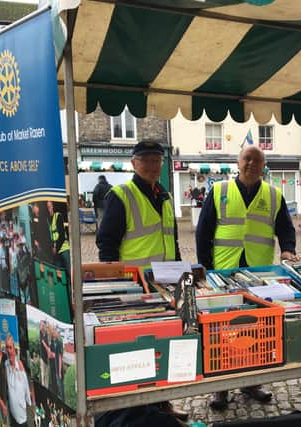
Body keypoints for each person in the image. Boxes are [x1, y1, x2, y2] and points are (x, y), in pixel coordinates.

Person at [196, 145, 300, 410]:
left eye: (257, 160)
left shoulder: (274, 195)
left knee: (255, 328)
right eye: (247, 159)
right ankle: (220, 387)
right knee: (220, 330)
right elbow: (203, 231)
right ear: (238, 162)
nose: (251, 164)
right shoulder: (218, 191)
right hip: (223, 272)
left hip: (258, 272)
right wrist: (204, 267)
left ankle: (253, 382)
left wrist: (288, 249)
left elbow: (285, 228)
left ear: (264, 165)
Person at [96, 139, 187, 422]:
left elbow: (171, 239)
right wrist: (113, 283)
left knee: (164, 344)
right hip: (134, 288)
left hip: (165, 284)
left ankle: (162, 404)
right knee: (138, 347)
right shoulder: (121, 195)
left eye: (156, 160)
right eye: (145, 160)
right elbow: (106, 243)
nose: (151, 165)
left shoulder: (165, 196)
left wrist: (182, 271)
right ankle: (138, 410)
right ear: (134, 163)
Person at [4, 334, 33, 427]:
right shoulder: (6, 365)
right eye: (7, 348)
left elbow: (26, 388)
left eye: (10, 347)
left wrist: (30, 405)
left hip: (22, 417)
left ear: (14, 349)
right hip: (12, 413)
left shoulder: (19, 367)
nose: (8, 350)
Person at [47, 201, 70, 274]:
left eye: (49, 206)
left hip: (64, 248)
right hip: (56, 251)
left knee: (70, 271)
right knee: (59, 275)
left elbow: (62, 236)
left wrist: (56, 249)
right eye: (47, 207)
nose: (48, 209)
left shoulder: (57, 216)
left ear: (53, 207)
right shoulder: (48, 220)